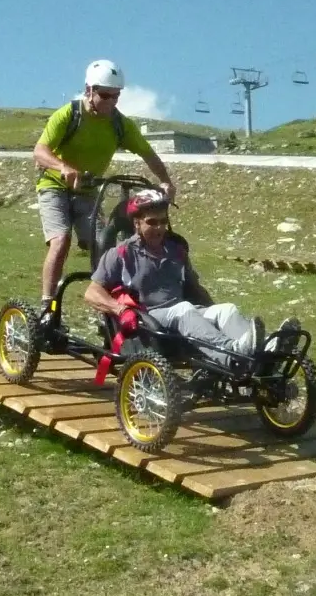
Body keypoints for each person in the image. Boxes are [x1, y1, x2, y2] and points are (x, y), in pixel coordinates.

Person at [84, 189, 301, 368]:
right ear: (137, 224)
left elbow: (194, 287)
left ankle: (267, 352)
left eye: (163, 221)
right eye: (152, 222)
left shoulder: (175, 250)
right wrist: (120, 310)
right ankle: (233, 355)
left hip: (181, 313)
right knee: (184, 310)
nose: (159, 228)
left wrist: (214, 316)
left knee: (227, 310)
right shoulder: (120, 254)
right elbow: (92, 292)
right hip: (148, 319)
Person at [33, 59, 175, 320]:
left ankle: (109, 307)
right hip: (54, 187)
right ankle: (47, 305)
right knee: (61, 240)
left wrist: (165, 181)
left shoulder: (120, 124)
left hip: (87, 192)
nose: (111, 102)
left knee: (105, 245)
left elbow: (148, 154)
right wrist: (63, 167)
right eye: (106, 95)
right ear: (89, 90)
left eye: (116, 96)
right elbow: (40, 151)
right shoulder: (68, 115)